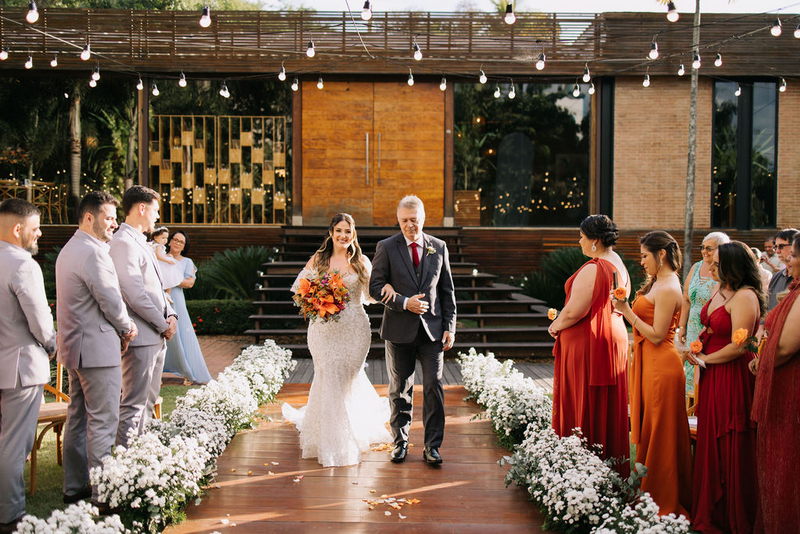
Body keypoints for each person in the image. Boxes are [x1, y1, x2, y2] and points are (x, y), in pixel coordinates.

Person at [282, 213, 392, 467]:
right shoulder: (319, 259)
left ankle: (350, 430)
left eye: (348, 231)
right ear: (331, 232)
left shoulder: (361, 261)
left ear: (353, 234)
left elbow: (371, 295)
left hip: (354, 329)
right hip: (323, 330)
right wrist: (317, 299)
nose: (343, 236)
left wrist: (386, 287)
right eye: (339, 231)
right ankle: (333, 441)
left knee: (347, 379)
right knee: (328, 376)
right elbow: (299, 291)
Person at [56, 192, 137, 505]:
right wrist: (127, 327)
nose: (114, 224)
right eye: (109, 218)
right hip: (97, 349)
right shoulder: (93, 252)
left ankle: (74, 487)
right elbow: (110, 299)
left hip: (75, 348)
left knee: (77, 419)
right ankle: (103, 494)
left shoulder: (69, 249)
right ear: (89, 217)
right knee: (103, 421)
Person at [369, 196, 457, 466]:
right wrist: (404, 302)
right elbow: (375, 287)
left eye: (414, 220)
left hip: (433, 331)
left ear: (423, 219)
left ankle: (432, 446)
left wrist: (450, 327)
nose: (409, 225)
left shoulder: (439, 247)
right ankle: (400, 442)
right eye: (404, 220)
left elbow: (447, 290)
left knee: (433, 387)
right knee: (400, 389)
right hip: (399, 330)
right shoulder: (386, 247)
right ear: (398, 220)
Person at [686, 241, 764, 534]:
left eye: (718, 264)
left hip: (732, 374)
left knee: (729, 438)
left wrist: (704, 359)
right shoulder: (720, 290)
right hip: (712, 372)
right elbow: (709, 327)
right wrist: (696, 349)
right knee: (710, 438)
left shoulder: (745, 296)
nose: (711, 267)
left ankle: (733, 514)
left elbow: (740, 345)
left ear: (733, 265)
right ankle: (710, 511)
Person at [612, 231, 692, 516]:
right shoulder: (659, 282)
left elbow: (658, 335)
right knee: (650, 426)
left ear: (661, 254)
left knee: (661, 430)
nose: (642, 261)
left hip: (662, 366)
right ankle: (647, 489)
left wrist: (626, 311)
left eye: (645, 256)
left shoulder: (669, 287)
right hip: (648, 362)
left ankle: (662, 496)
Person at [547, 214, 630, 471]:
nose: (579, 241)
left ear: (594, 240)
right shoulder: (618, 263)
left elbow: (575, 310)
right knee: (604, 405)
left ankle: (582, 466)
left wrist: (555, 325)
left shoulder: (595, 267)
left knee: (583, 403)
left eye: (581, 236)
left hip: (590, 345)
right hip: (611, 338)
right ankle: (606, 464)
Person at [0, 199, 56, 533]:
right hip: (20, 368)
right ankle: (10, 515)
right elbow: (39, 319)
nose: (40, 234)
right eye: (35, 228)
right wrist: (51, 345)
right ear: (17, 229)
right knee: (14, 444)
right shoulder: (23, 264)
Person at [109, 185, 177, 447]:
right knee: (133, 404)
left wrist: (171, 314)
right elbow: (133, 293)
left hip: (156, 335)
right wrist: (162, 324)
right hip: (142, 336)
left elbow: (157, 287)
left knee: (148, 401)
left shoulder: (141, 242)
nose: (157, 216)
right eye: (155, 210)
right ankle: (125, 460)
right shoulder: (123, 242)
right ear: (141, 208)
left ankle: (142, 455)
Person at [750, 235, 800, 534]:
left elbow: (785, 347)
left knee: (786, 464)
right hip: (783, 381)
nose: (787, 260)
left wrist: (763, 360)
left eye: (792, 255)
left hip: (790, 390)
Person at [678, 231, 729, 397]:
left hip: (712, 328)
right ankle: (690, 403)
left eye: (709, 248)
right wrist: (682, 326)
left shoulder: (725, 271)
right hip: (693, 326)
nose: (704, 251)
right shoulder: (696, 267)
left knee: (706, 367)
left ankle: (704, 401)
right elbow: (686, 298)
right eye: (702, 247)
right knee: (690, 366)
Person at [162, 231, 211, 385]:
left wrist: (170, 278)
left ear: (184, 246)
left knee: (182, 334)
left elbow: (189, 283)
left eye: (181, 242)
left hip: (177, 301)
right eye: (175, 239)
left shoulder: (187, 262)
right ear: (169, 241)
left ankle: (189, 371)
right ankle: (157, 370)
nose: (177, 243)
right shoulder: (160, 256)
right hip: (159, 298)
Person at [767, 228, 798, 311]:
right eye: (775, 247)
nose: (777, 251)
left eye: (781, 246)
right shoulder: (776, 277)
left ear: (795, 246)